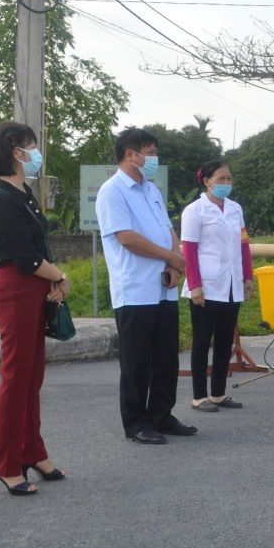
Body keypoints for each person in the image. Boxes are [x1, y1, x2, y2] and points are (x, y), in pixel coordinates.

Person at [0, 121, 71, 496]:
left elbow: (39, 251)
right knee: (16, 378)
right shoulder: (0, 198)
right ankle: (4, 463)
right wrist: (60, 276)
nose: (36, 154)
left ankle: (32, 451)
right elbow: (25, 258)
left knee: (33, 378)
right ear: (16, 151)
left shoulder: (23, 193)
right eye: (32, 147)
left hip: (35, 288)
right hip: (16, 289)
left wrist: (53, 280)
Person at [96, 127, 196, 445]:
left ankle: (161, 415)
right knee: (137, 360)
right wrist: (170, 256)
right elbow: (126, 238)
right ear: (130, 154)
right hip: (135, 289)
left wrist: (173, 263)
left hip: (163, 287)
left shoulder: (151, 189)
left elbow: (168, 229)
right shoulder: (113, 191)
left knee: (165, 357)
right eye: (149, 152)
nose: (153, 158)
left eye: (154, 151)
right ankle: (137, 422)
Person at [180, 160, 254, 413]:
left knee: (224, 341)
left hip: (232, 283)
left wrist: (248, 276)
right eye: (220, 179)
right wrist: (195, 285)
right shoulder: (195, 210)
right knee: (202, 341)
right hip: (206, 285)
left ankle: (219, 393)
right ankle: (199, 396)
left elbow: (243, 245)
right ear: (206, 180)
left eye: (229, 179)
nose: (225, 183)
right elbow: (189, 250)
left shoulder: (235, 209)